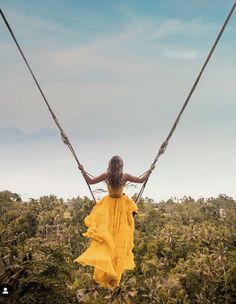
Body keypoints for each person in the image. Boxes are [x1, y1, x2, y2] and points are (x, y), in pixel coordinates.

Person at [73, 155, 155, 289]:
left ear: (110, 165)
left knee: (108, 232)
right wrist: (150, 170)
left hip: (109, 205)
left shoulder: (107, 175)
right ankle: (114, 265)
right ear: (121, 165)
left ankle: (110, 260)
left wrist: (82, 170)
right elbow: (141, 180)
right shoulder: (125, 176)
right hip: (121, 205)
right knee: (121, 228)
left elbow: (90, 181)